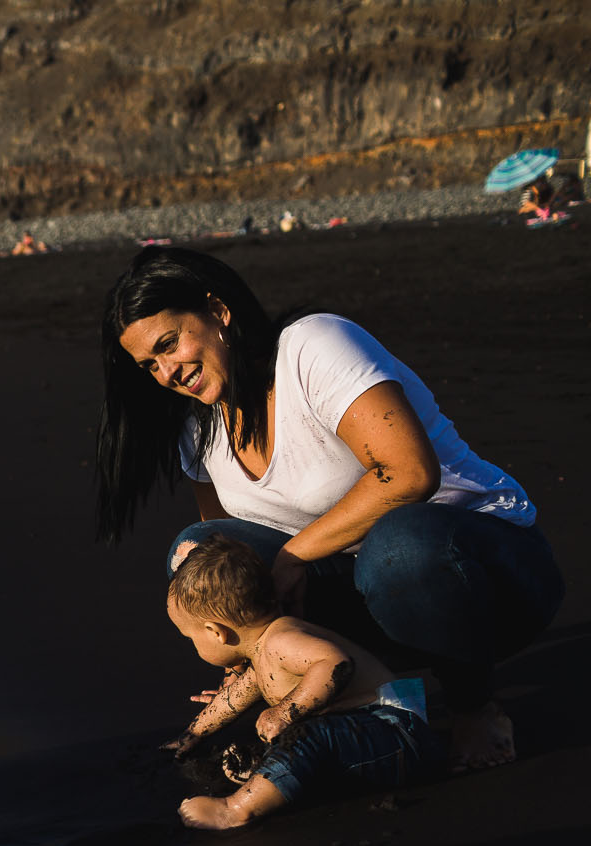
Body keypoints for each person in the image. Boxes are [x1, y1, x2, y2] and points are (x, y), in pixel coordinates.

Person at [96, 246, 562, 772]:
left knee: (400, 549)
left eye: (168, 344)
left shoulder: (312, 346)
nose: (166, 373)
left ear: (218, 311)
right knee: (198, 557)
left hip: (489, 577)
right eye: (149, 365)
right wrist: (252, 663)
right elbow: (228, 568)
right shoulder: (199, 428)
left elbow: (408, 473)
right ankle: (344, 690)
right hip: (368, 592)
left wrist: (295, 554)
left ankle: (474, 704)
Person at [162, 538, 441, 829]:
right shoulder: (262, 653)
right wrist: (193, 734)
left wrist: (283, 712)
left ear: (216, 632)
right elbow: (235, 697)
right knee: (298, 738)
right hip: (365, 740)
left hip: (400, 735)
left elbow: (335, 663)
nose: (192, 644)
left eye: (189, 637)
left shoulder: (283, 640)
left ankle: (236, 809)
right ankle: (276, 777)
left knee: (306, 736)